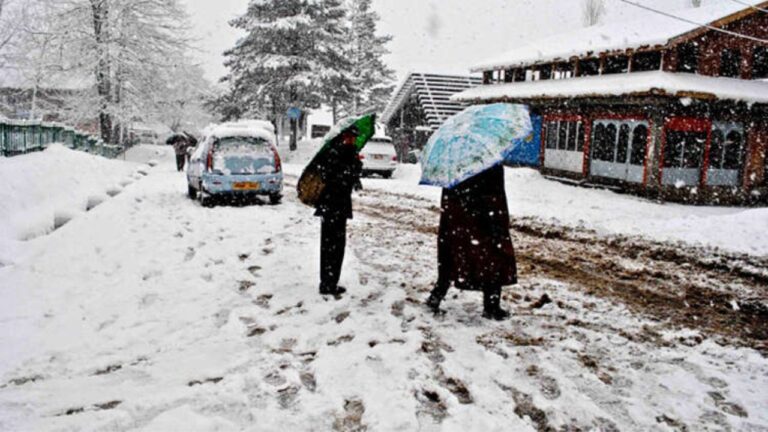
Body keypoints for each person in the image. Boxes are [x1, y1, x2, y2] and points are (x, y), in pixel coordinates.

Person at [425, 164, 517, 320]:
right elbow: (495, 195)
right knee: (492, 260)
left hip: (459, 217)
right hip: (482, 219)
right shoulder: (490, 163)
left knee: (451, 257)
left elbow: (449, 194)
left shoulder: (455, 163)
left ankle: (436, 297)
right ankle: (492, 306)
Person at [314, 128, 363, 297]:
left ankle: (330, 281)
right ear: (343, 137)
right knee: (331, 246)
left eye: (354, 138)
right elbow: (336, 176)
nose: (352, 140)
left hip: (336, 205)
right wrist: (352, 167)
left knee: (335, 246)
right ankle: (327, 283)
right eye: (350, 137)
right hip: (333, 205)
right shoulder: (335, 153)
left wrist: (356, 166)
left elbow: (351, 176)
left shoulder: (346, 153)